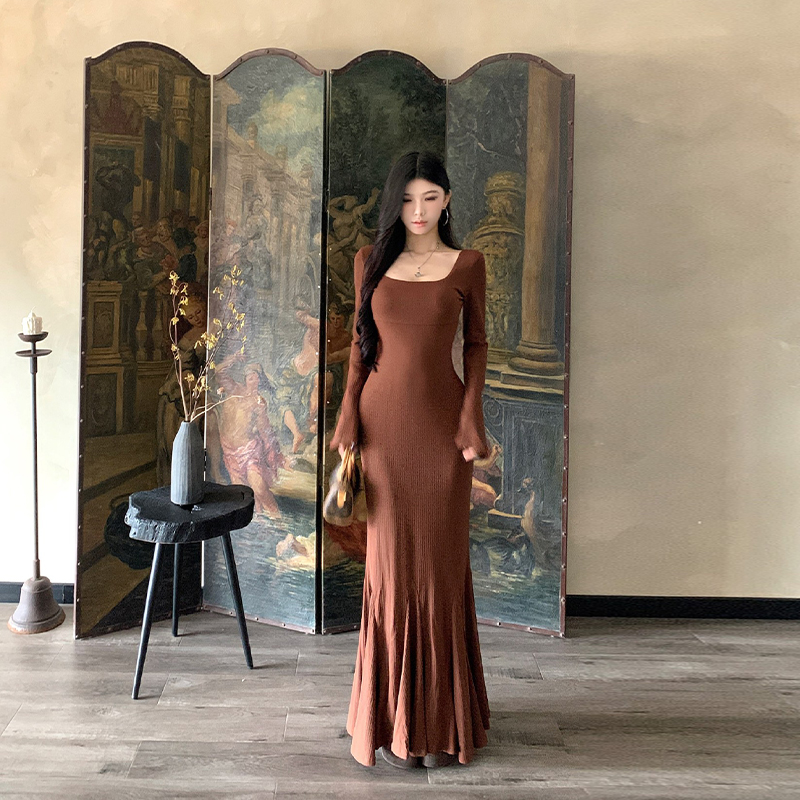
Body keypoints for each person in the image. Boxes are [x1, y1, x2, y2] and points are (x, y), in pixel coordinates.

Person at [329, 151, 491, 769]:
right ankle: (391, 725)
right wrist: (347, 415)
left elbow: (476, 346)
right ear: (393, 203)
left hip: (443, 433)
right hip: (383, 431)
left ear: (446, 200)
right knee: (391, 571)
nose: (417, 211)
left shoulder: (468, 264)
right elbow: (360, 346)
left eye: (429, 198)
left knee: (441, 570)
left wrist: (471, 417)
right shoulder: (369, 261)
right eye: (406, 199)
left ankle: (443, 726)